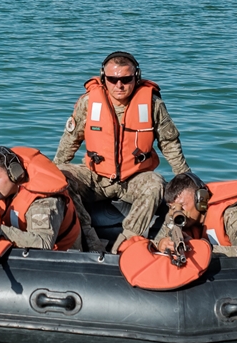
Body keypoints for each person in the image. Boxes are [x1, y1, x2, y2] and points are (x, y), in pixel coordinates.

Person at [54, 52, 189, 253]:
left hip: (134, 179)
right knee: (61, 177)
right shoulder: (88, 103)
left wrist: (185, 178)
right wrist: (52, 173)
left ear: (136, 77)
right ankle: (89, 242)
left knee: (155, 183)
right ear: (103, 78)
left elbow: (169, 143)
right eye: (113, 79)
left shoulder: (152, 104)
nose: (119, 85)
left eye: (126, 79)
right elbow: (69, 142)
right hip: (96, 178)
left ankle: (124, 245)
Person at [0, 146, 81, 251]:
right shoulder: (2, 191)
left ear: (14, 174)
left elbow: (42, 243)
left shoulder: (43, 201)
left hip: (60, 255)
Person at [152, 173, 237, 258]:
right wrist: (161, 243)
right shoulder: (177, 216)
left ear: (200, 200)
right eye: (172, 207)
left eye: (182, 205)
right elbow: (157, 241)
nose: (178, 211)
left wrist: (197, 249)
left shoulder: (233, 213)